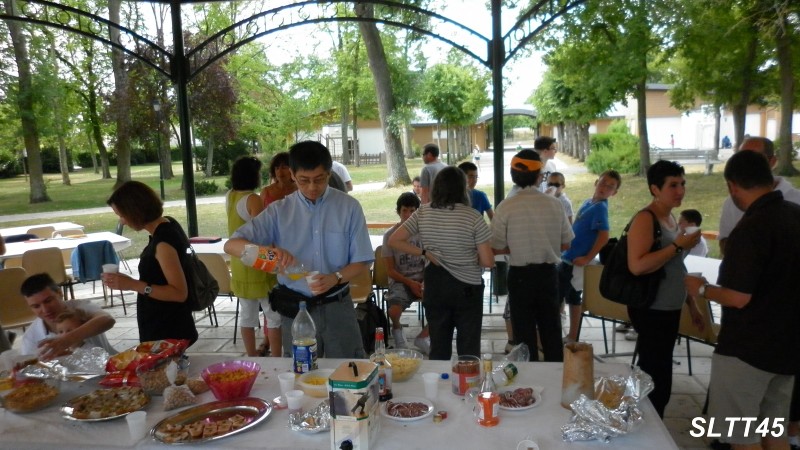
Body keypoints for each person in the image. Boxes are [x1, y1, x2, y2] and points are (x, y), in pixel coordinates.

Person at [685, 150, 800, 449]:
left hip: (747, 351)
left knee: (742, 438)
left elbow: (737, 297)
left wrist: (701, 288)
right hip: (788, 347)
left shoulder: (750, 228)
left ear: (732, 186)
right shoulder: (795, 214)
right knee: (774, 433)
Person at [225, 141, 373, 359]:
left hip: (337, 304)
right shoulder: (279, 211)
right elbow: (231, 245)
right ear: (292, 175)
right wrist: (269, 253)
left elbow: (363, 259)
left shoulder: (348, 207)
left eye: (319, 179)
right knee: (300, 371)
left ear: (329, 174)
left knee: (347, 368)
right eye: (304, 180)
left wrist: (336, 277)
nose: (312, 187)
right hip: (296, 308)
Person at [389, 166, 493, 360]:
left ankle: (438, 377)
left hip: (435, 284)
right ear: (463, 188)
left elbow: (394, 240)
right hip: (468, 288)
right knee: (469, 346)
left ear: (436, 187)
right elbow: (487, 261)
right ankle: (467, 378)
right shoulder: (473, 216)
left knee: (438, 344)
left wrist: (424, 252)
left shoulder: (423, 213)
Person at [626, 160, 703, 418]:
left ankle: (649, 423)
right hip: (652, 308)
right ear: (655, 189)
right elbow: (637, 266)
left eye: (682, 184)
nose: (680, 190)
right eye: (673, 185)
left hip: (669, 307)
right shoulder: (645, 219)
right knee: (655, 376)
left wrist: (692, 305)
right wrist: (678, 246)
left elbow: (675, 267)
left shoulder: (670, 218)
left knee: (660, 373)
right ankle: (648, 426)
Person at [491, 150, 574, 362]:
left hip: (520, 275)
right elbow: (566, 243)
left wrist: (517, 245)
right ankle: (556, 373)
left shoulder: (505, 206)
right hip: (548, 274)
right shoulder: (554, 204)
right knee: (551, 329)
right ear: (539, 176)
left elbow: (496, 246)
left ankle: (529, 376)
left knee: (523, 333)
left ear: (513, 175)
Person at [103, 181, 199, 345]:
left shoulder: (163, 243)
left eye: (122, 215)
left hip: (168, 329)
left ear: (135, 211)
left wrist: (132, 284)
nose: (122, 222)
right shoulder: (169, 224)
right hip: (165, 325)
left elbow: (179, 293)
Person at [559, 170, 621, 344]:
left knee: (566, 297)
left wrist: (587, 258)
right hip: (568, 256)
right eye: (603, 183)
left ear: (614, 192)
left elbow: (603, 236)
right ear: (596, 182)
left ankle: (568, 336)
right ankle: (570, 335)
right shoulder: (589, 202)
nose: (605, 187)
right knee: (568, 297)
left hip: (576, 261)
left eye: (610, 186)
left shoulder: (600, 208)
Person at [227, 156, 276, 357]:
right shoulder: (253, 199)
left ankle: (252, 355)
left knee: (247, 316)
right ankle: (277, 356)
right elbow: (262, 231)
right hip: (258, 261)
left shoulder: (230, 195)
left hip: (239, 260)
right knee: (273, 315)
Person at [718, 137, 800, 255]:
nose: (747, 165)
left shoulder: (796, 200)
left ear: (772, 161)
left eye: (756, 158)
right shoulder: (732, 202)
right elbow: (724, 243)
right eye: (742, 157)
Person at [20, 273, 116, 358]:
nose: (45, 310)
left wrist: (68, 339)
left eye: (48, 301)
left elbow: (107, 319)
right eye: (36, 306)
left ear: (59, 293)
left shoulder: (80, 307)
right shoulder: (30, 338)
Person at [381, 193, 430, 353]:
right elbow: (390, 270)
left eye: (412, 211)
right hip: (401, 281)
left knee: (443, 306)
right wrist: (410, 283)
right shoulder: (390, 235)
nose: (408, 215)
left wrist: (424, 282)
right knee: (394, 310)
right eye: (404, 211)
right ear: (398, 211)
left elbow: (431, 262)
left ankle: (424, 337)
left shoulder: (424, 233)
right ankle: (397, 331)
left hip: (424, 279)